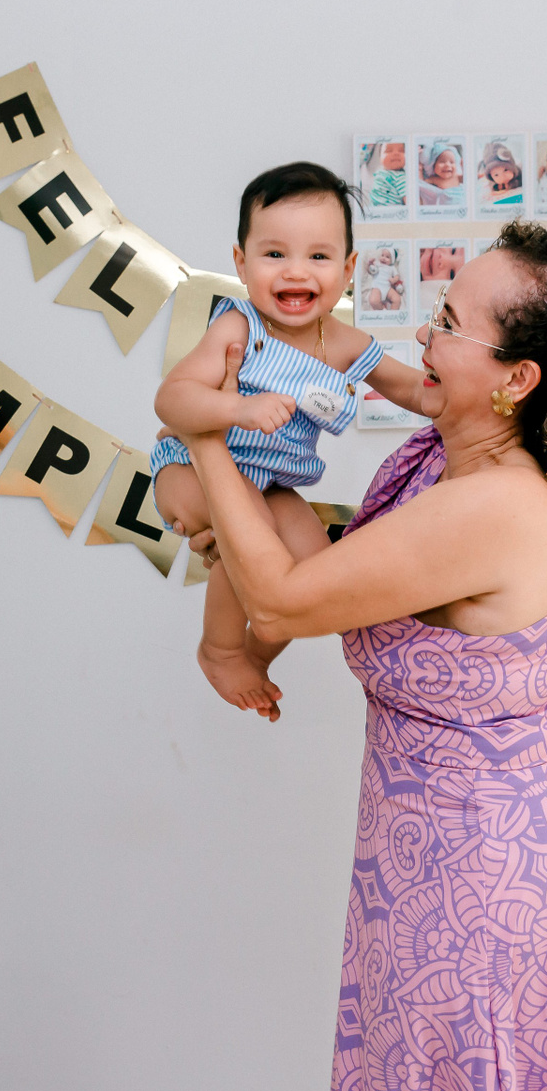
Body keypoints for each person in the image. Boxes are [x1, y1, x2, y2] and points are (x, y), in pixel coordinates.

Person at [173, 221, 547, 1091]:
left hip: (483, 885)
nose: (423, 335)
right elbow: (325, 569)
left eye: (450, 324)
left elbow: (285, 599)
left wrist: (204, 431)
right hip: (424, 865)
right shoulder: (437, 462)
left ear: (516, 378)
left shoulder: (500, 507)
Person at [151, 162, 424, 712]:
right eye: (274, 254)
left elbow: (413, 389)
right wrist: (237, 408)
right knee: (247, 526)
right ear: (241, 262)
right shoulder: (239, 327)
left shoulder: (344, 343)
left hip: (272, 484)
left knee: (314, 573)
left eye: (318, 257)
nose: (296, 271)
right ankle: (220, 650)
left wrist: (469, 394)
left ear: (348, 269)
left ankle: (256, 653)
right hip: (189, 468)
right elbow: (171, 400)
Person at [417, 138, 464, 206]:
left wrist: (464, 167)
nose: (448, 165)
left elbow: (466, 179)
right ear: (433, 165)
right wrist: (419, 169)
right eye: (442, 162)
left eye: (451, 162)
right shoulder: (434, 179)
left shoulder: (456, 177)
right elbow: (422, 184)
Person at [365, 141, 406, 209]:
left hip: (390, 211)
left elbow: (409, 200)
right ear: (380, 157)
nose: (396, 154)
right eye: (389, 151)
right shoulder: (380, 172)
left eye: (401, 151)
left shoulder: (401, 177)